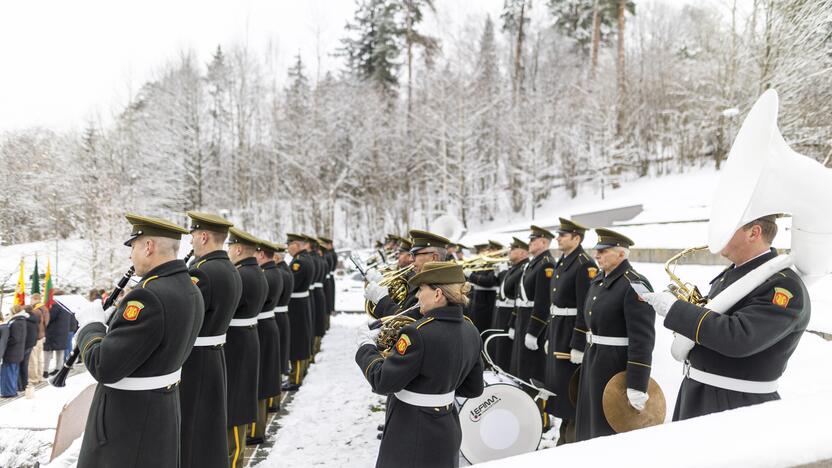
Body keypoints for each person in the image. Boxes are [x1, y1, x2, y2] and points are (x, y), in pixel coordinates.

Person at [643, 215, 810, 420]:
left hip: (737, 404)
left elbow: (739, 337)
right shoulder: (733, 274)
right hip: (700, 392)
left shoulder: (782, 286)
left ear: (753, 233)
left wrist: (676, 310)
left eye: (727, 227)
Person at [74, 213, 204, 467]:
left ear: (148, 247)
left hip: (129, 423)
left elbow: (104, 366)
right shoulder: (189, 287)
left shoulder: (147, 297)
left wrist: (91, 326)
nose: (130, 255)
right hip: (159, 411)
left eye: (132, 246)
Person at [356, 261, 484, 467]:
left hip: (411, 429)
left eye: (422, 289)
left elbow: (382, 381)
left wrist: (365, 347)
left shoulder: (418, 332)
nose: (416, 296)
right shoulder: (471, 330)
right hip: (447, 428)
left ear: (438, 294)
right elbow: (473, 388)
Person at [574, 228, 655, 441]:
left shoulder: (635, 284)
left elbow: (642, 339)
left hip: (614, 364)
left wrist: (637, 384)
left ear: (622, 253)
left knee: (607, 425)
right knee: (590, 419)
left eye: (604, 251)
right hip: (594, 358)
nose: (597, 255)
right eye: (597, 251)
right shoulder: (600, 280)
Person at [181, 211, 242, 468]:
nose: (192, 242)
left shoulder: (202, 272)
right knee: (208, 427)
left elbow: (185, 316)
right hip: (213, 354)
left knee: (193, 430)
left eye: (194, 236)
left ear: (204, 236)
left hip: (196, 359)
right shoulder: (229, 268)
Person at [544, 218, 597, 444]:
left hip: (570, 333)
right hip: (558, 330)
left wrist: (577, 343)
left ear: (577, 238)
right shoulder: (564, 260)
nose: (558, 238)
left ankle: (572, 438)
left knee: (569, 390)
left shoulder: (584, 263)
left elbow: (585, 306)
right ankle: (564, 433)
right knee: (558, 387)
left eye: (563, 235)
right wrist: (548, 335)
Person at [224, 227, 268, 467]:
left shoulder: (242, 274)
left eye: (230, 246)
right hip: (246, 338)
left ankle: (234, 458)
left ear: (238, 248)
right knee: (238, 398)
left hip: (238, 341)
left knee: (236, 403)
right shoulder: (255, 271)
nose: (229, 251)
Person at [365, 229, 450, 320]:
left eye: (414, 255)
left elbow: (411, 321)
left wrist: (383, 301)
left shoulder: (441, 288)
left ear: (433, 257)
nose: (410, 259)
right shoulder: (428, 282)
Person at [509, 226, 554, 385]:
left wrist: (534, 331)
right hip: (523, 317)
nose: (530, 242)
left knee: (530, 368)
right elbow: (519, 296)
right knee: (519, 365)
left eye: (533, 239)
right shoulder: (534, 263)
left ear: (543, 242)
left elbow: (544, 301)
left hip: (532, 320)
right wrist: (513, 323)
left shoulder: (546, 264)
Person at [248, 239, 283, 445]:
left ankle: (256, 430)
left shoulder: (267, 275)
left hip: (261, 326)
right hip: (267, 324)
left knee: (259, 381)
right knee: (264, 377)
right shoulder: (273, 272)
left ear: (261, 254)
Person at [490, 237, 528, 371]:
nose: (509, 252)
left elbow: (516, 295)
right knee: (498, 347)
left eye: (513, 249)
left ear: (523, 253)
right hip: (501, 312)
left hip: (509, 313)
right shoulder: (515, 267)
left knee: (504, 351)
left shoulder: (523, 268)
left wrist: (512, 322)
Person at [285, 233, 313, 391]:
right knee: (299, 339)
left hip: (296, 304)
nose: (288, 248)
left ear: (296, 245)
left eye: (289, 245)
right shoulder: (305, 259)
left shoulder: (299, 263)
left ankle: (295, 379)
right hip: (300, 302)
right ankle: (295, 376)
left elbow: (292, 284)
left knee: (296, 341)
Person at [466, 240, 504, 333]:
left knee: (483, 328)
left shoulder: (498, 263)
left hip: (487, 301)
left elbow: (489, 281)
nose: (488, 251)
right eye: (488, 249)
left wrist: (471, 275)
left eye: (491, 249)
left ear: (498, 250)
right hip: (478, 300)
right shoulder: (487, 262)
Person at [273, 244, 293, 392]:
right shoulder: (285, 269)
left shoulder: (279, 273)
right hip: (282, 315)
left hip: (276, 315)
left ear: (276, 257)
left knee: (277, 354)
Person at [1, 306, 28, 398]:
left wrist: (6, 342)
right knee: (13, 372)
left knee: (8, 372)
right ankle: (12, 390)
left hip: (12, 352)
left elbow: (15, 338)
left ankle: (8, 392)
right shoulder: (22, 321)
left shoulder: (16, 323)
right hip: (17, 351)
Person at [43, 292, 70, 377]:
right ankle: (58, 368)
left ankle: (45, 371)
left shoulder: (56, 306)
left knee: (47, 352)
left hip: (54, 332)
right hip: (63, 332)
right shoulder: (67, 306)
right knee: (60, 352)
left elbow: (50, 317)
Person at [28, 294, 49, 385]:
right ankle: (40, 376)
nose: (30, 301)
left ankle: (33, 378)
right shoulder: (45, 308)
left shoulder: (36, 311)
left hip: (36, 337)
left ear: (36, 299)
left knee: (33, 359)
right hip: (42, 335)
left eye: (31, 299)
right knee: (39, 358)